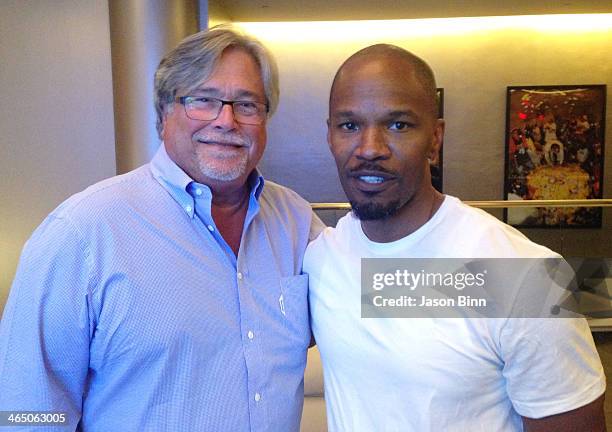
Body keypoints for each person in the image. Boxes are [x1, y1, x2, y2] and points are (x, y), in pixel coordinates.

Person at [0, 26, 323, 431]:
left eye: (247, 105)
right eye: (202, 101)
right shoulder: (81, 235)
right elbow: (25, 409)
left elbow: (384, 298)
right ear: (164, 113)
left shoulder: (295, 221)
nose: (226, 120)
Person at [305, 44, 605, 431]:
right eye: (349, 125)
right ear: (329, 136)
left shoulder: (524, 276)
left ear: (435, 139)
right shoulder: (321, 258)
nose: (370, 149)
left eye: (398, 124)